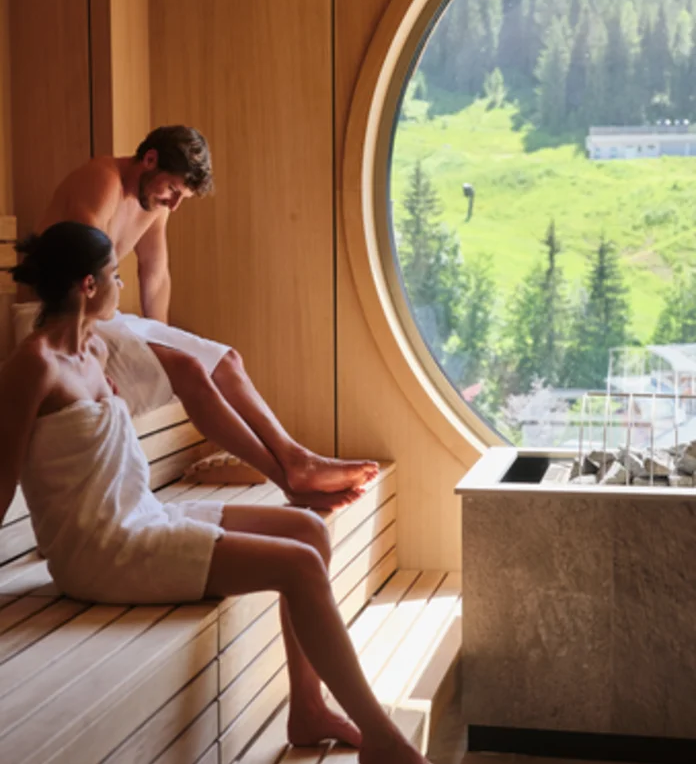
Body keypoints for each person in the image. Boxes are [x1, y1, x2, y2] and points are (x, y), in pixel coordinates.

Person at [0, 223, 429, 764]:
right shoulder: (32, 366)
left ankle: (309, 708)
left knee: (308, 528)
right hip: (101, 551)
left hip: (140, 517)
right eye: (114, 276)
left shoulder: (95, 349)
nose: (121, 287)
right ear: (87, 285)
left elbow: (189, 372)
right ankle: (382, 739)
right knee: (297, 566)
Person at [16, 125, 378, 511]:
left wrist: (163, 337)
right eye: (172, 190)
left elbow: (155, 275)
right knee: (188, 369)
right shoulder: (102, 180)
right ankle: (289, 476)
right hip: (59, 319)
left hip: (103, 316)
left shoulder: (155, 205)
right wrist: (91, 353)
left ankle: (296, 459)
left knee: (226, 360)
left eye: (181, 197)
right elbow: (79, 275)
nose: (173, 204)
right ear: (149, 159)